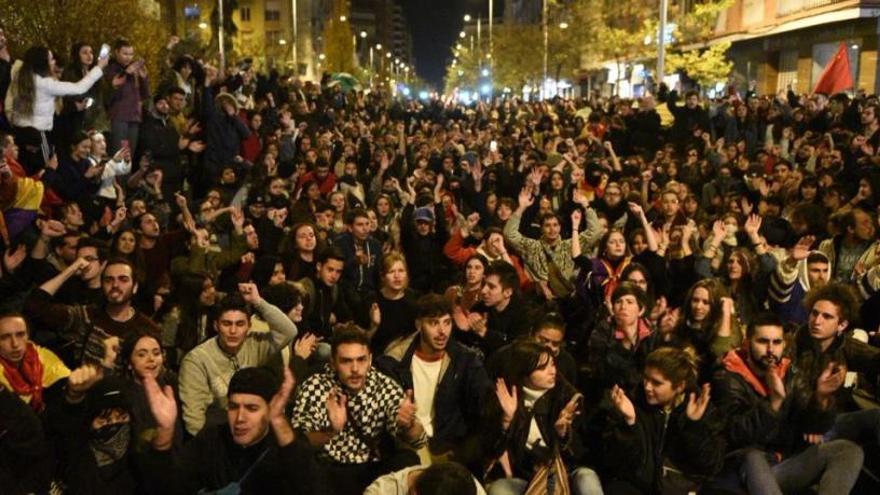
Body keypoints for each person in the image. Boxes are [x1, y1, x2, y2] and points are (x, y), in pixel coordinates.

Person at [711, 312, 865, 494]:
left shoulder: (789, 372)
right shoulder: (727, 377)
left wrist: (821, 398)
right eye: (762, 341)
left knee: (847, 450)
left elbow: (811, 426)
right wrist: (773, 404)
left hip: (784, 463)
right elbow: (736, 436)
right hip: (743, 468)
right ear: (747, 343)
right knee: (752, 456)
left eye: (777, 342)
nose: (770, 350)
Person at [292, 326, 424, 495]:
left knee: (409, 460)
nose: (355, 369)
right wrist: (330, 431)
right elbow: (298, 446)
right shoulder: (316, 386)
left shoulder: (382, 384)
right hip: (331, 470)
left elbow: (418, 441)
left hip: (371, 468)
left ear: (369, 360)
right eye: (346, 361)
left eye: (361, 360)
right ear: (333, 362)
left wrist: (409, 424)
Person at [142, 366, 316, 494]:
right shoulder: (212, 438)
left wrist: (278, 421)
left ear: (270, 409)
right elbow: (165, 487)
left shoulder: (287, 445)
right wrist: (165, 431)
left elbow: (309, 486)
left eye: (252, 408)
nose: (239, 418)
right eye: (233, 407)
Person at [376, 293, 492, 463]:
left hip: (449, 447)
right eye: (433, 323)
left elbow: (482, 406)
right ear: (418, 325)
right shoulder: (393, 362)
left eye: (447, 323)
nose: (442, 332)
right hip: (408, 443)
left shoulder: (465, 360)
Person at [481, 341, 602, 495]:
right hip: (527, 476)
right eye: (542, 368)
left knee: (587, 478)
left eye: (552, 364)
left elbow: (580, 453)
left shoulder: (566, 397)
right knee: (500, 489)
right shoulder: (507, 398)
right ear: (524, 373)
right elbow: (491, 451)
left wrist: (562, 434)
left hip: (564, 471)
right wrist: (507, 420)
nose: (552, 372)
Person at [178, 282, 297, 435]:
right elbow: (194, 422)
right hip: (217, 435)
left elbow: (289, 331)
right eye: (227, 324)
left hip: (252, 429)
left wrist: (257, 301)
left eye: (240, 324)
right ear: (216, 326)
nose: (233, 331)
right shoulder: (196, 361)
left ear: (249, 326)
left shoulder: (254, 344)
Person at [603, 347, 725, 494]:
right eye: (646, 378)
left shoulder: (700, 408)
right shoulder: (633, 401)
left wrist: (693, 425)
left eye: (656, 383)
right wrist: (630, 423)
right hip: (639, 488)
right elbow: (619, 463)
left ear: (679, 386)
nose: (647, 387)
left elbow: (710, 464)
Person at [8, 45, 108, 173]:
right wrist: (99, 67)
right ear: (42, 63)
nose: (54, 63)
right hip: (39, 135)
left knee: (27, 171)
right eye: (51, 59)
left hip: (22, 133)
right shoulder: (45, 84)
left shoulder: (21, 79)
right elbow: (79, 88)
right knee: (45, 171)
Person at [0, 312, 70, 411]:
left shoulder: (42, 355)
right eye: (5, 337)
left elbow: (67, 386)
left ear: (28, 336)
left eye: (20, 335)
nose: (15, 344)